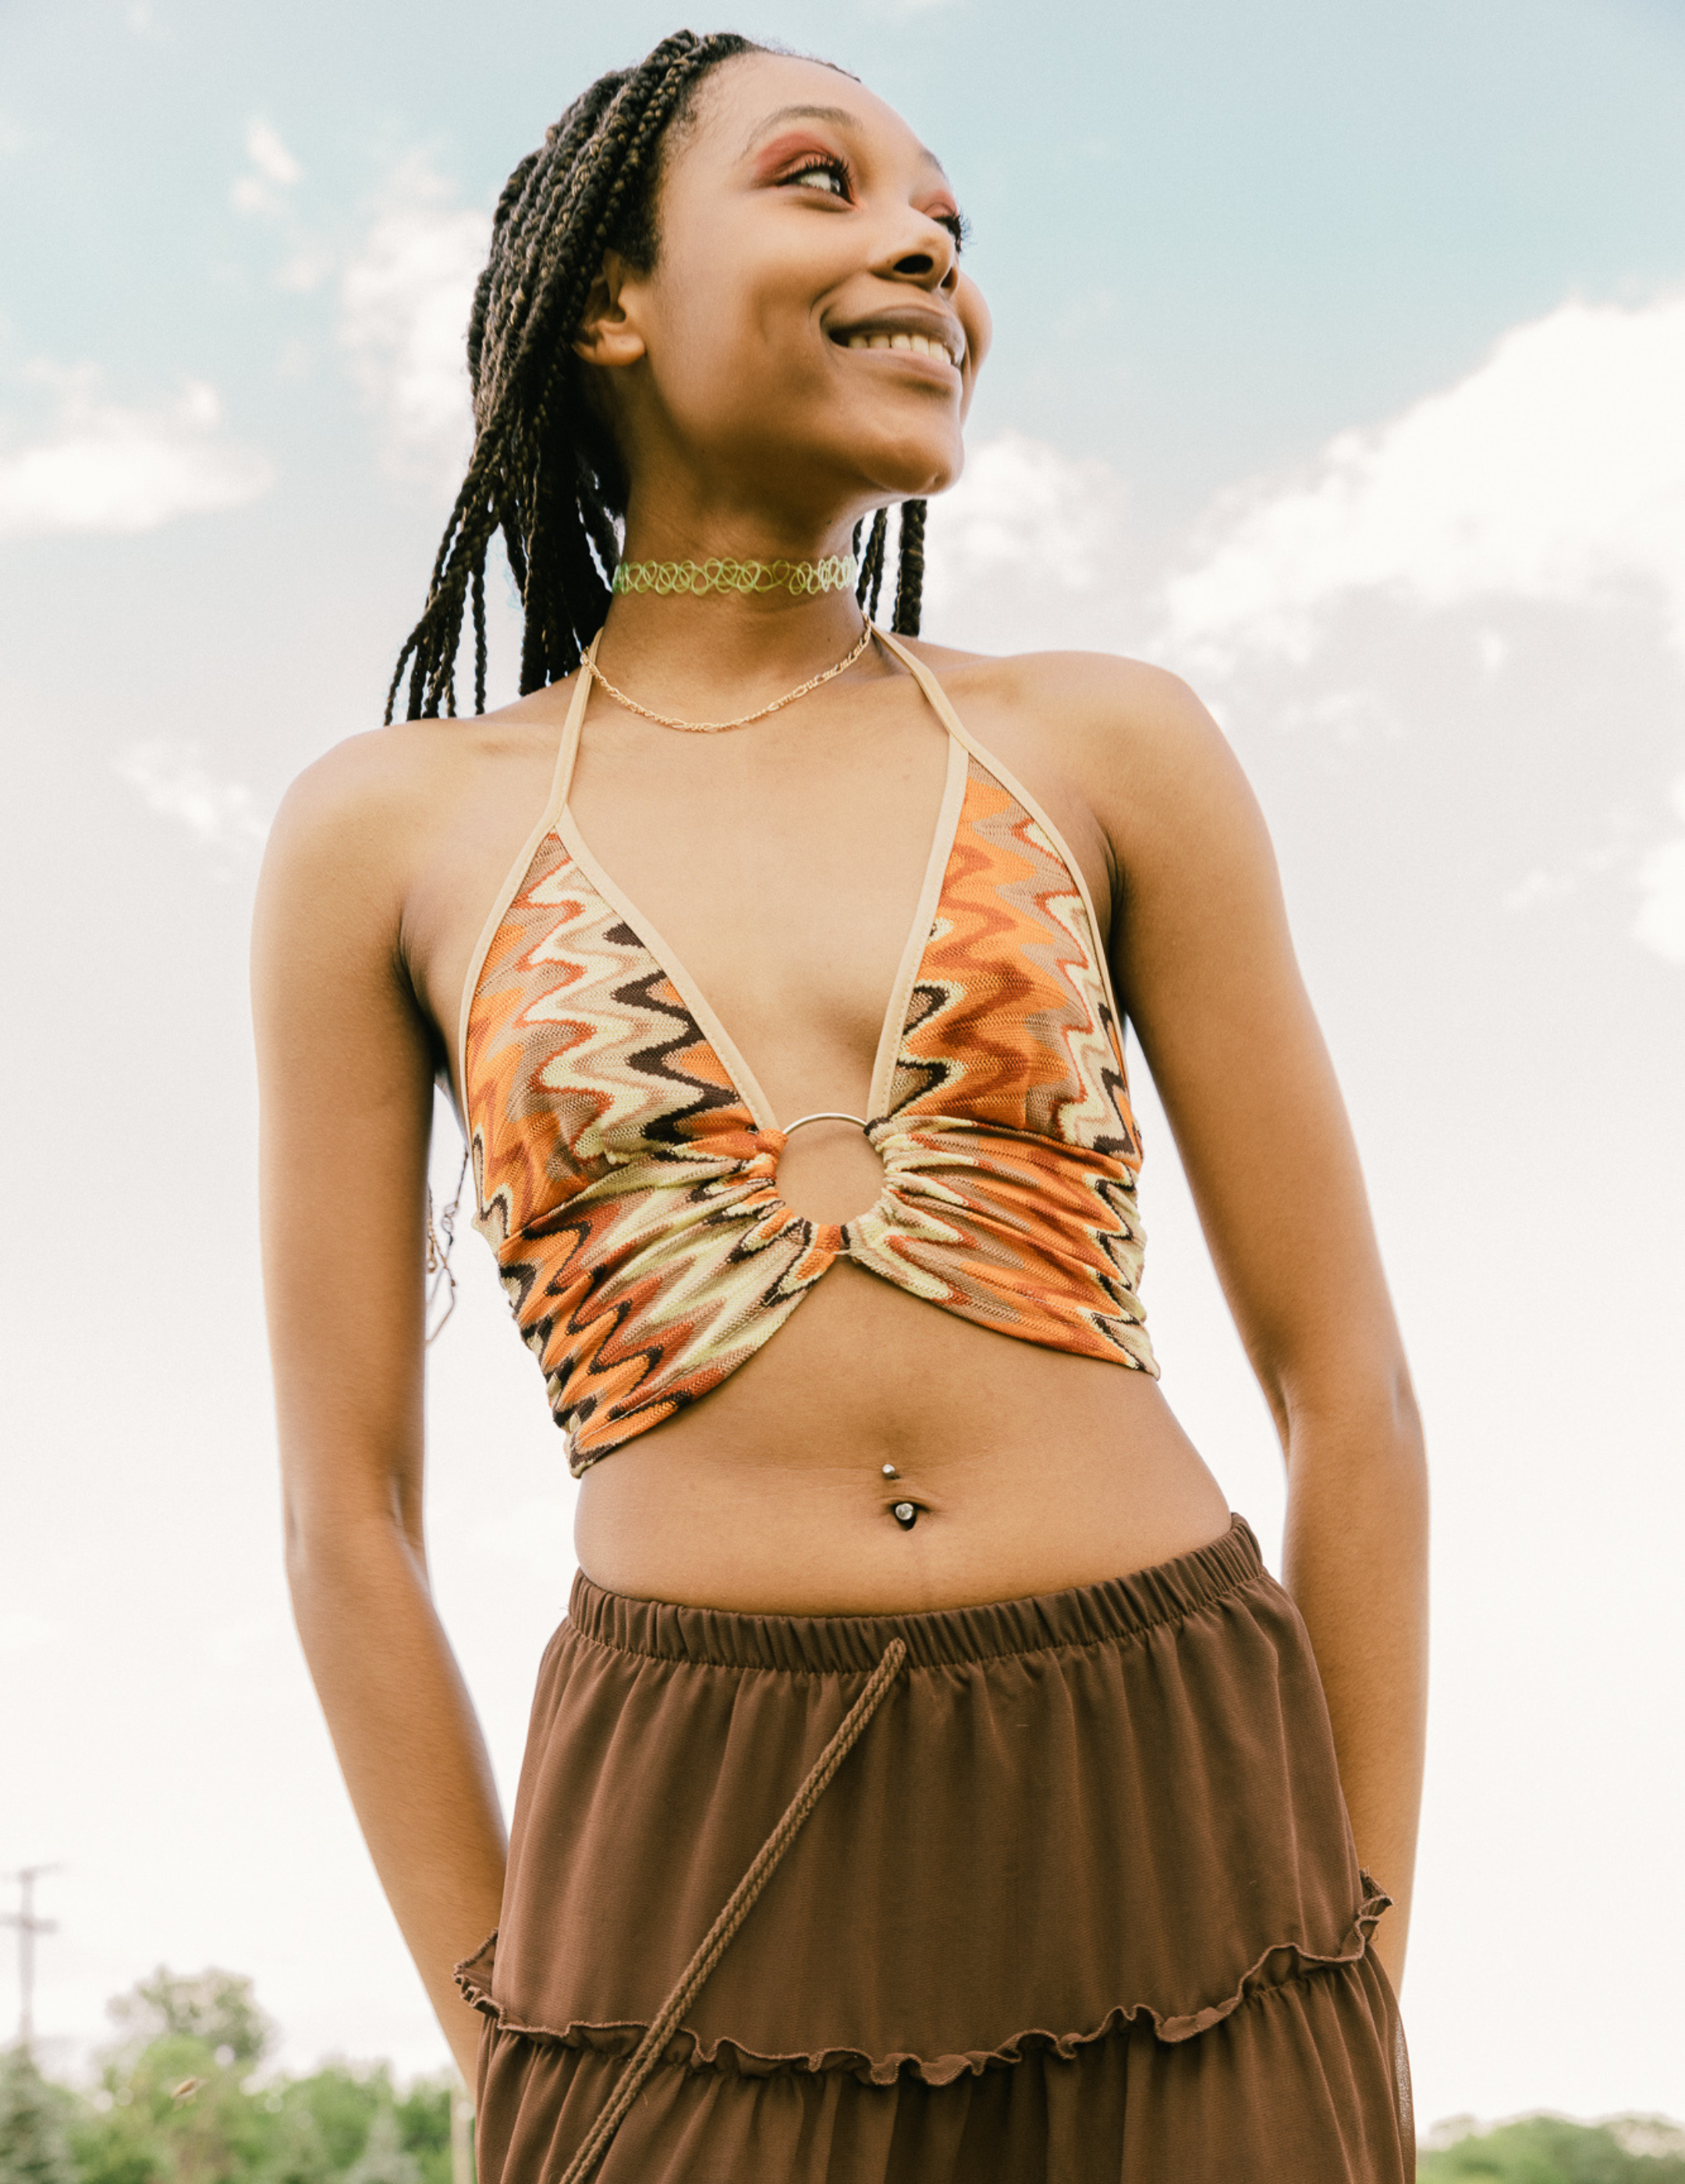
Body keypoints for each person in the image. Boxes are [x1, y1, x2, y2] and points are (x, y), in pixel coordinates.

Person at [252, 30, 1428, 2184]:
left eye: (952, 225)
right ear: (607, 304)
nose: (923, 249)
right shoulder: (386, 831)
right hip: (692, 1835)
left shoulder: (1107, 743)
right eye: (823, 182)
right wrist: (511, 2044)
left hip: (1180, 1802)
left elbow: (1346, 1386)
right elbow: (346, 1515)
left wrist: (1356, 1961)